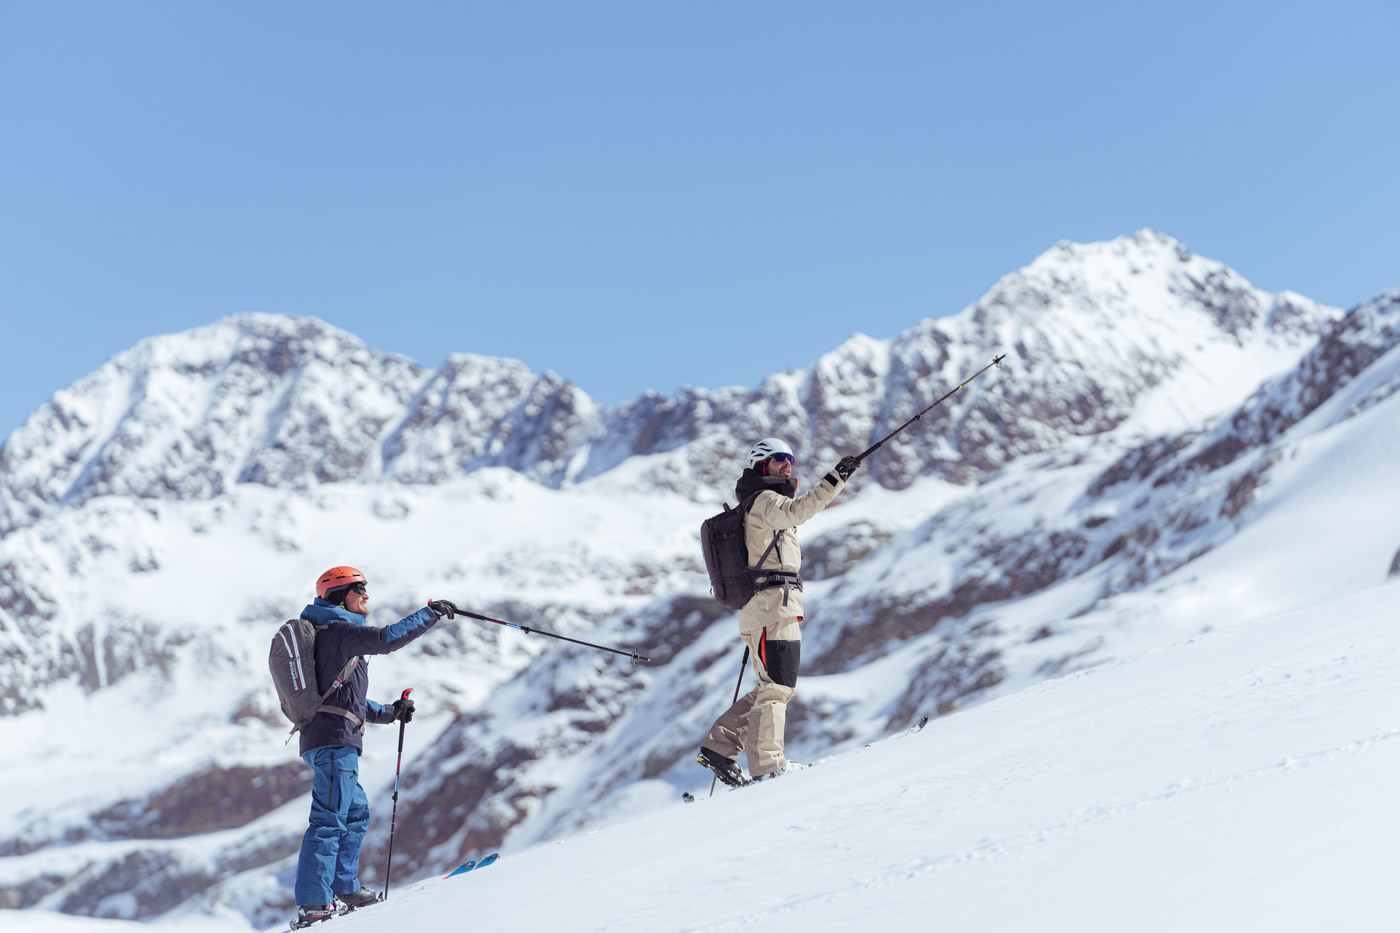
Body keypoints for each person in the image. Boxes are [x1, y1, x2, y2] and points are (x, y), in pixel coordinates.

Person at [291, 565, 458, 929]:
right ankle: (314, 905)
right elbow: (386, 639)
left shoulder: (330, 635)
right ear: (338, 596)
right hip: (334, 742)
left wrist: (390, 713)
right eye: (359, 587)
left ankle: (345, 888)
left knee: (355, 813)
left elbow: (345, 699)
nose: (366, 594)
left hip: (332, 739)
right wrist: (429, 613)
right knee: (328, 822)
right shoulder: (336, 630)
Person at [697, 439, 859, 785]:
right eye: (778, 459)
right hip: (772, 606)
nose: (787, 464)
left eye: (790, 459)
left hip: (769, 607)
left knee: (773, 685)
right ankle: (768, 765)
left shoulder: (759, 504)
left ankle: (719, 746)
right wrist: (838, 476)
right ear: (761, 466)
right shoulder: (766, 500)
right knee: (778, 688)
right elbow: (800, 510)